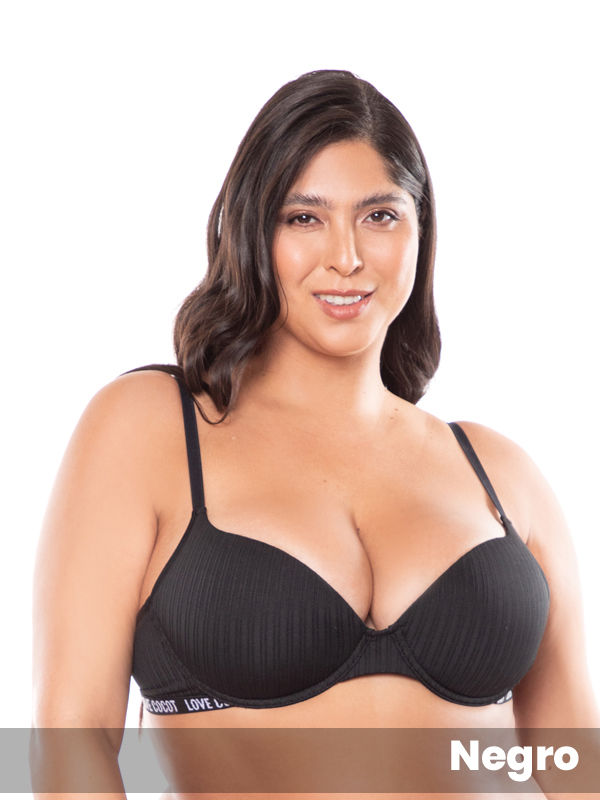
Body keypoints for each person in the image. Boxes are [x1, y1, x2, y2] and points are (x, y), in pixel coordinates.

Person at [32, 69, 599, 798]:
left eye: (380, 215)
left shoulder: (500, 473)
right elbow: (72, 732)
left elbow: (574, 761)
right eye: (304, 218)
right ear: (252, 230)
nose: (347, 257)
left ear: (421, 232)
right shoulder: (151, 430)